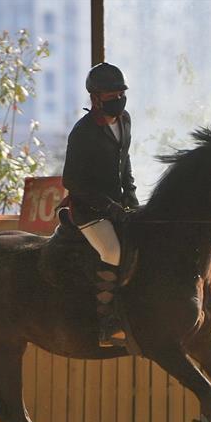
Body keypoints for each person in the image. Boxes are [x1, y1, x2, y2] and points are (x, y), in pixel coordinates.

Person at [61, 62, 138, 348]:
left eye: (121, 92)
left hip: (119, 204)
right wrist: (107, 207)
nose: (118, 98)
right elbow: (72, 180)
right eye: (111, 94)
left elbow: (124, 162)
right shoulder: (83, 133)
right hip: (89, 211)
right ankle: (107, 322)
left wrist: (131, 199)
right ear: (95, 98)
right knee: (112, 250)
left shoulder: (125, 120)